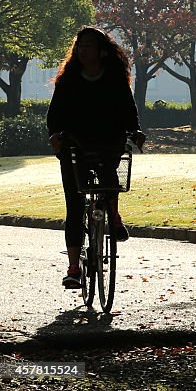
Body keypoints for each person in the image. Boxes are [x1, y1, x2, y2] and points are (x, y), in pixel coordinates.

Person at [47, 27, 145, 290]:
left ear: (101, 50)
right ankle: (73, 267)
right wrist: (55, 135)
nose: (83, 50)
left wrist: (135, 131)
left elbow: (128, 109)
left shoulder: (114, 79)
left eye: (88, 45)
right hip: (74, 147)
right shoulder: (68, 80)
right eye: (80, 46)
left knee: (110, 179)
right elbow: (55, 114)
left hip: (107, 143)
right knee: (75, 205)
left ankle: (113, 215)